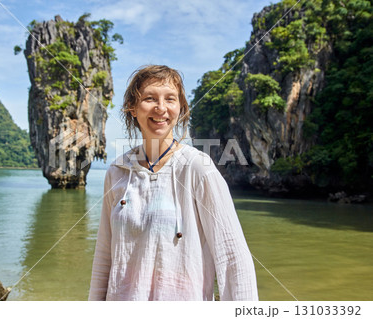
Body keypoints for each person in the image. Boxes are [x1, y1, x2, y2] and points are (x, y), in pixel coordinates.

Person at [88, 65, 258, 301]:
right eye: (149, 98)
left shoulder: (198, 168)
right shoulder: (118, 172)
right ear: (132, 109)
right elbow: (105, 256)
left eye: (170, 99)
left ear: (181, 108)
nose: (161, 108)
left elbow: (233, 257)